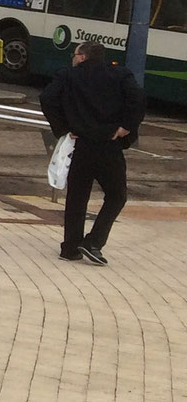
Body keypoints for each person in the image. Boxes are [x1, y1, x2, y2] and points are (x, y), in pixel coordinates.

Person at [41, 40, 145, 265]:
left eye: (74, 54)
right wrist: (125, 127)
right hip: (109, 143)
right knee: (117, 195)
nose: (72, 58)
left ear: (82, 57)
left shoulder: (68, 75)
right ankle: (93, 242)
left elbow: (47, 98)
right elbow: (138, 100)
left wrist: (64, 128)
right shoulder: (120, 75)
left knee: (77, 197)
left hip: (81, 143)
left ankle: (70, 247)